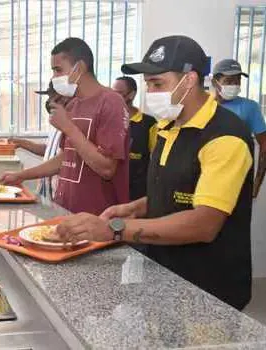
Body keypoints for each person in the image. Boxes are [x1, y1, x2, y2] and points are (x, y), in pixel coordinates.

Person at [56, 36, 254, 310]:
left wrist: (115, 230)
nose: (150, 92)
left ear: (190, 80)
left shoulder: (225, 137)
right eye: (148, 84)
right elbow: (178, 193)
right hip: (165, 275)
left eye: (158, 83)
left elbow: (204, 223)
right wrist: (134, 208)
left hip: (209, 289)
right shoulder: (167, 127)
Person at [0, 37, 130, 215]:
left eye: (58, 70)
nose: (54, 78)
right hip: (65, 211)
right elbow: (65, 159)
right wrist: (21, 176)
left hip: (97, 218)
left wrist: (68, 127)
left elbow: (107, 168)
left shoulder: (111, 102)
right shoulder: (73, 105)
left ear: (80, 68)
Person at [212, 58, 266, 197]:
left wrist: (257, 182)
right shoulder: (204, 107)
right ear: (215, 82)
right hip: (207, 177)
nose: (235, 85)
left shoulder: (250, 107)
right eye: (229, 81)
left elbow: (264, 145)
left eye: (238, 81)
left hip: (240, 180)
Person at [8, 82, 72, 199]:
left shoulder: (71, 125)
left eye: (53, 97)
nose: (50, 102)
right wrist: (22, 143)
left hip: (60, 188)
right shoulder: (55, 123)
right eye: (49, 97)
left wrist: (21, 175)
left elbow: (62, 160)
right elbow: (49, 150)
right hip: (47, 186)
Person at [112, 76, 157, 200]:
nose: (114, 96)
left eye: (118, 93)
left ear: (131, 95)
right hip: (110, 191)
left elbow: (157, 160)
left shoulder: (149, 124)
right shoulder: (108, 121)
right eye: (112, 92)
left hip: (137, 195)